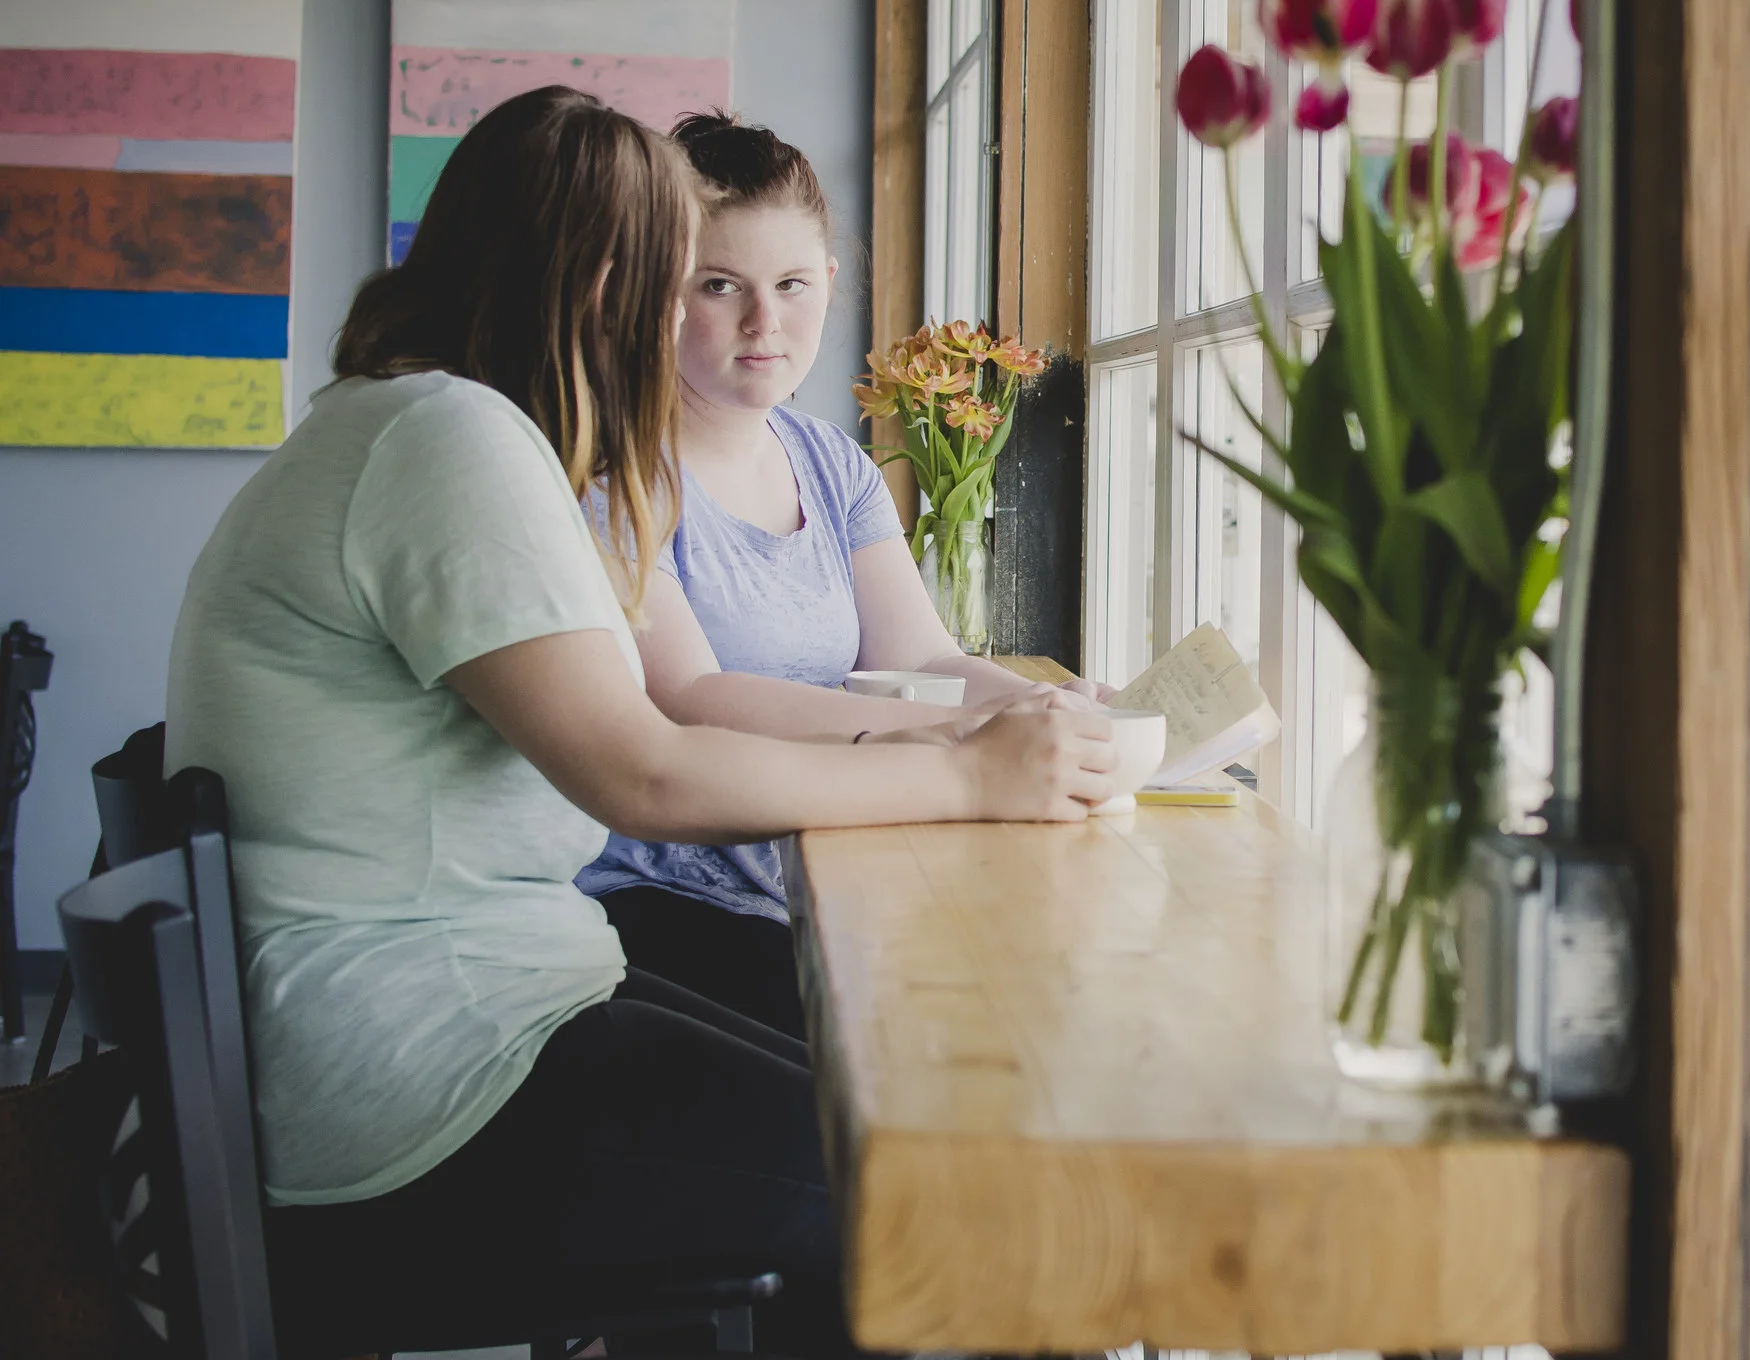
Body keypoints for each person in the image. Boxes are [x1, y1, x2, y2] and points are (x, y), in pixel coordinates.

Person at [163, 85, 1114, 1357]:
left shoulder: (408, 420)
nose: (691, 323)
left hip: (456, 1016)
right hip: (433, 1072)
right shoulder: (449, 441)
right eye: (681, 282)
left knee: (887, 1120)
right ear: (606, 281)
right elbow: (645, 772)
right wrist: (974, 777)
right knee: (937, 1194)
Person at [576, 112, 1095, 1040]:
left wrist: (1052, 711)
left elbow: (923, 654)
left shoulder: (829, 460)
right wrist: (973, 736)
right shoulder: (616, 475)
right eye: (720, 285)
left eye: (791, 284)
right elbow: (694, 698)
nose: (763, 323)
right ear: (658, 292)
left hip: (823, 873)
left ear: (831, 284)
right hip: (667, 902)